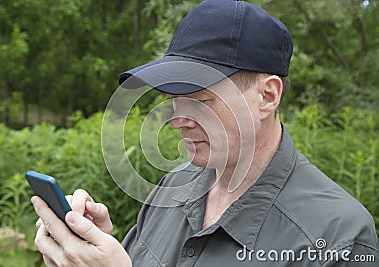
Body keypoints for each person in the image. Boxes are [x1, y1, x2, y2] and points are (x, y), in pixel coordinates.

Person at [31, 0, 379, 266]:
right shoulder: (170, 189)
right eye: (172, 100)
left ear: (267, 97)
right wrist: (94, 249)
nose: (178, 119)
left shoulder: (339, 236)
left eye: (200, 100)